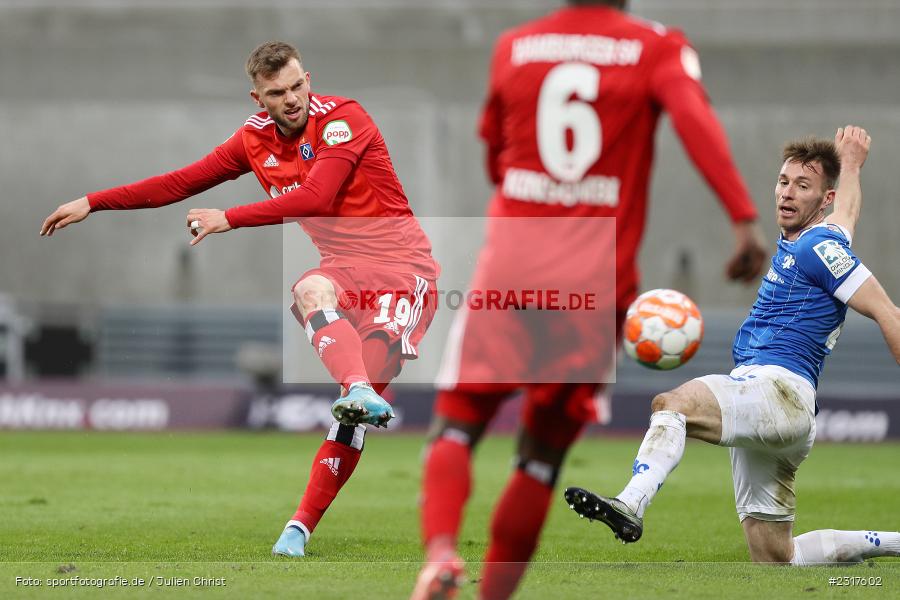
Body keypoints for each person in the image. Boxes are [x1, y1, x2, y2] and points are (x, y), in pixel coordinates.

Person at [412, 1, 768, 598]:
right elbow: (693, 119)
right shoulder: (655, 47)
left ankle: (442, 555)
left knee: (454, 428)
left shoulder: (515, 45)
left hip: (511, 267)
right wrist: (742, 218)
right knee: (539, 459)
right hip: (591, 287)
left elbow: (494, 156)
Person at [40, 40, 439, 558]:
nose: (292, 98)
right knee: (309, 289)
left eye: (298, 85)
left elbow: (316, 196)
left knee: (350, 418)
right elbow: (179, 182)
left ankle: (307, 508)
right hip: (344, 272)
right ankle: (299, 528)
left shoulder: (343, 120)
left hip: (402, 272)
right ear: (259, 97)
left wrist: (228, 217)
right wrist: (93, 202)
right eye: (278, 92)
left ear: (307, 79)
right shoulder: (253, 140)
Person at [565, 125, 900, 565]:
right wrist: (851, 164)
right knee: (775, 556)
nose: (787, 193)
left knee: (674, 403)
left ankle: (631, 503)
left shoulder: (817, 246)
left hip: (778, 390)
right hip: (781, 409)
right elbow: (847, 217)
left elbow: (888, 313)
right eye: (783, 182)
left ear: (824, 199)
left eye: (803, 186)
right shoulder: (821, 239)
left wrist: (849, 170)